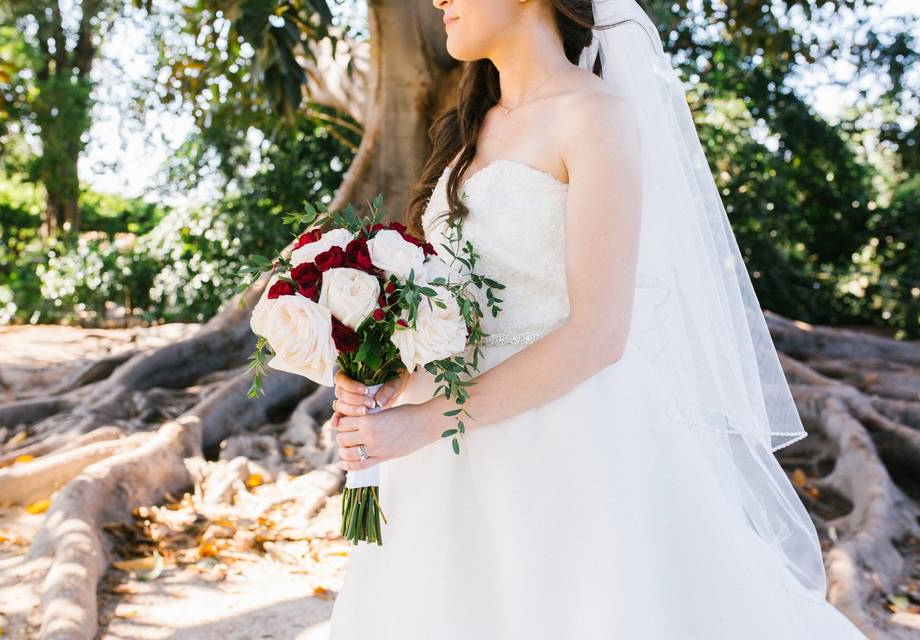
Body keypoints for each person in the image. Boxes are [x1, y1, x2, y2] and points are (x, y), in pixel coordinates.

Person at [326, 0, 869, 638]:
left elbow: (598, 335)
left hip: (563, 442)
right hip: (442, 452)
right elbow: (455, 299)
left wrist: (425, 422)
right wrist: (390, 372)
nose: (440, 0)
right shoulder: (469, 128)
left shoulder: (594, 116)